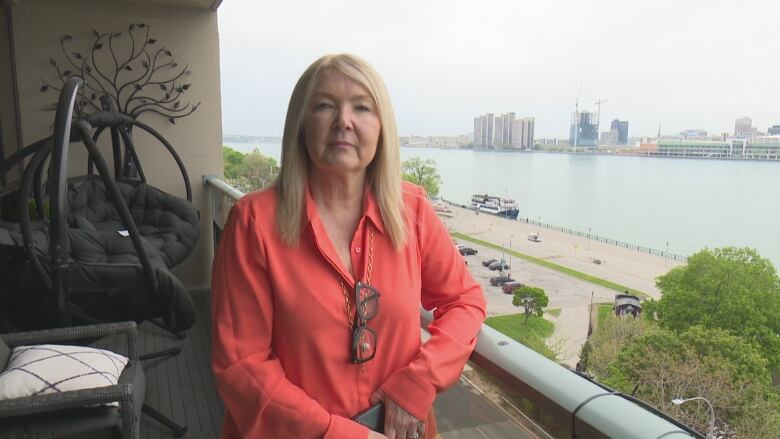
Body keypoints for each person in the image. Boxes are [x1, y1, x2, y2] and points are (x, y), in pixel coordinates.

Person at [211, 53, 486, 439]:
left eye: (362, 107)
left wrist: (419, 381)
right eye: (324, 106)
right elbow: (242, 365)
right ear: (300, 124)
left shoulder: (413, 211)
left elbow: (465, 301)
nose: (344, 121)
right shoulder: (253, 223)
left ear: (382, 127)